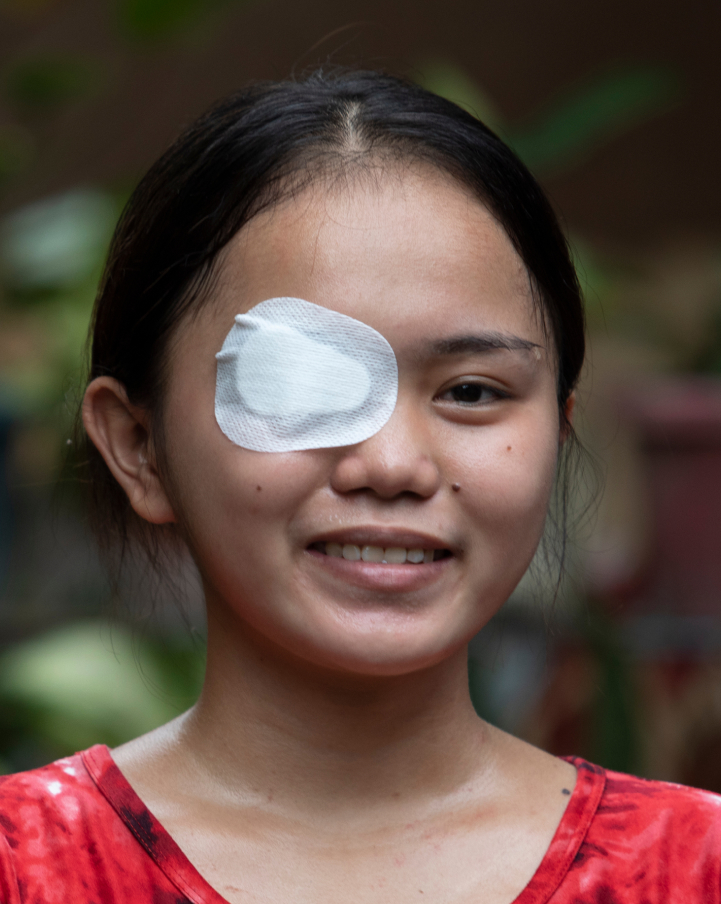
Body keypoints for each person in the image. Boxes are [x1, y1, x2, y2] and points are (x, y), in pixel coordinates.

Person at [0, 70, 719, 904]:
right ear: (139, 449)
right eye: (300, 385)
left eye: (471, 391)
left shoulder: (694, 869)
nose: (393, 464)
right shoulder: (23, 867)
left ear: (556, 432)